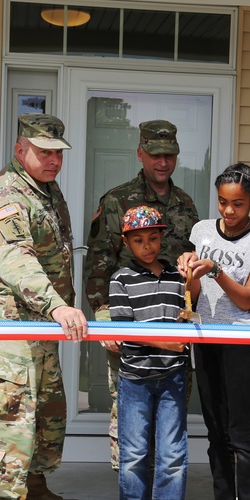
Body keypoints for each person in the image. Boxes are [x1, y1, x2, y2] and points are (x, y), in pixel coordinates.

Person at [0, 113, 87, 500]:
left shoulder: (46, 190)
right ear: (21, 149)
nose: (53, 160)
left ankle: (34, 493)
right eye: (44, 152)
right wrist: (59, 306)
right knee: (12, 422)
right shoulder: (7, 195)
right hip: (12, 332)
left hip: (41, 329)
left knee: (45, 416)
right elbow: (15, 260)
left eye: (58, 153)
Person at [84, 120, 199, 479]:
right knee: (130, 412)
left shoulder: (185, 204)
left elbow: (190, 264)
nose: (162, 162)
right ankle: (134, 492)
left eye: (169, 155)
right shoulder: (117, 201)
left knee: (170, 412)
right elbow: (98, 263)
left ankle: (164, 491)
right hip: (129, 323)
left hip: (173, 328)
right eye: (154, 155)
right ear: (140, 154)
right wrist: (103, 319)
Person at [178, 163, 250, 500]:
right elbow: (193, 291)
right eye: (222, 202)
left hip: (241, 341)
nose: (229, 211)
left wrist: (216, 269)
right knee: (215, 434)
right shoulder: (201, 232)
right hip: (206, 338)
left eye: (238, 203)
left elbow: (247, 298)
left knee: (241, 435)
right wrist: (190, 270)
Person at [109, 206, 190, 500]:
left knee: (172, 453)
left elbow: (188, 315)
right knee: (134, 454)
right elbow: (126, 332)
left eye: (154, 238)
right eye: (139, 240)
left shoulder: (177, 275)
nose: (148, 246)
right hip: (135, 379)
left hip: (173, 376)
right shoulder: (120, 279)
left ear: (162, 237)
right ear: (126, 242)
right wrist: (165, 340)